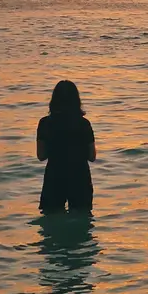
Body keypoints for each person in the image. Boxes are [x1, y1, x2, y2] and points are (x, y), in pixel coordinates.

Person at [37, 80, 96, 213]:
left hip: (54, 177)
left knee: (52, 226)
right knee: (82, 225)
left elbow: (41, 156)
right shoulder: (83, 124)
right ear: (76, 100)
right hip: (80, 178)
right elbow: (92, 156)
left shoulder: (45, 123)